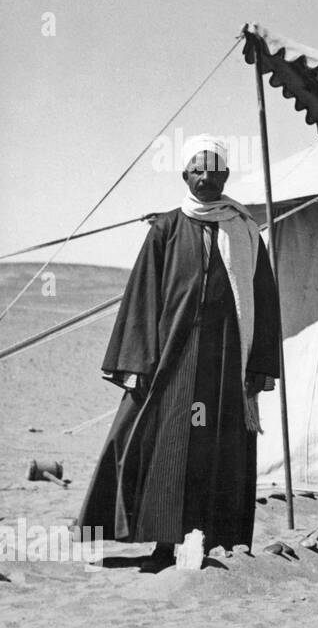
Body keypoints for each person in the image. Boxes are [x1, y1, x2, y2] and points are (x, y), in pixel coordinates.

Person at [78, 134, 281, 567]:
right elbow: (142, 296)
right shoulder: (167, 228)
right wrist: (136, 362)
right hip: (173, 356)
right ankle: (163, 544)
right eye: (197, 168)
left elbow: (264, 301)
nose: (206, 176)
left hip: (227, 358)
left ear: (226, 174)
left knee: (220, 448)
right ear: (184, 174)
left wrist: (260, 366)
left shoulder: (245, 231)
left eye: (215, 169)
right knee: (162, 442)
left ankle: (213, 543)